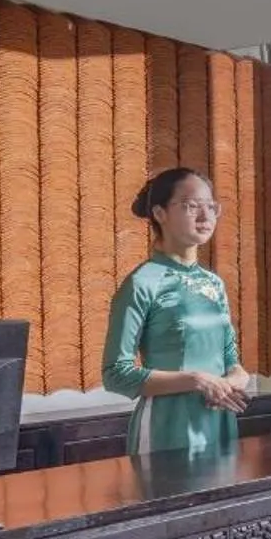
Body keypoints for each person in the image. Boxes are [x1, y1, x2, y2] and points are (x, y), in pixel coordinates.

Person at [102, 165, 250, 459]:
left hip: (218, 424)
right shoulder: (142, 283)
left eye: (211, 207)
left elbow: (233, 361)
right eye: (191, 206)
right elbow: (116, 373)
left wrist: (232, 382)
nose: (205, 216)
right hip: (165, 430)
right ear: (160, 214)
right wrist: (196, 380)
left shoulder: (214, 284)